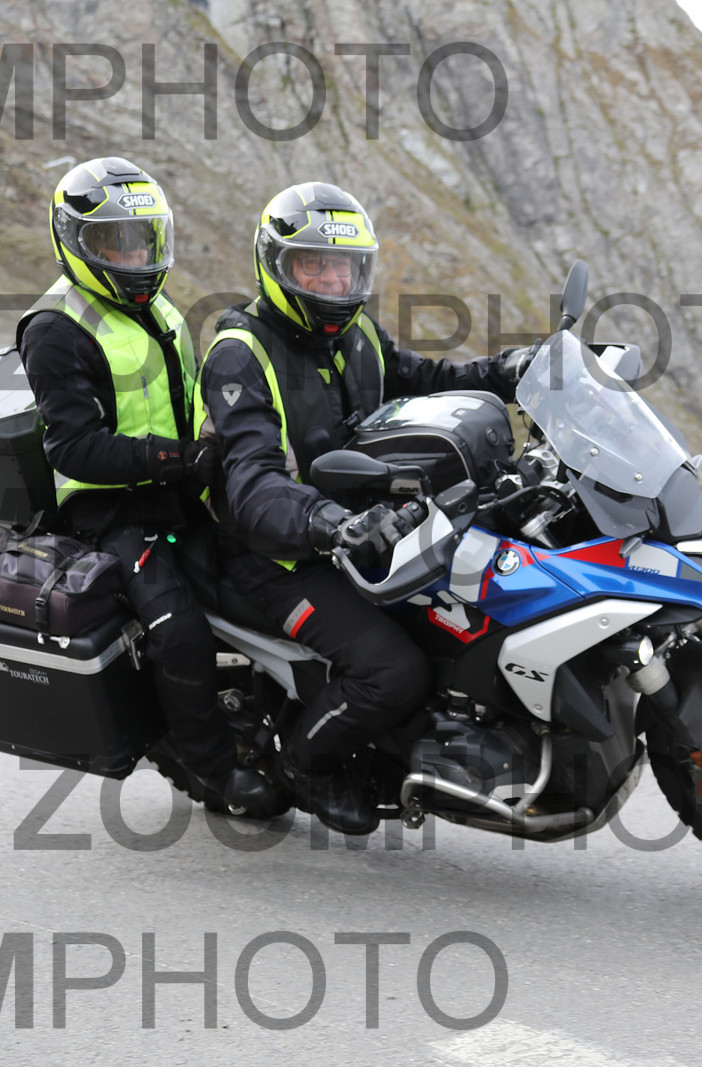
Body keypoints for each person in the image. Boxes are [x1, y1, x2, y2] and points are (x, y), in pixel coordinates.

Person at [197, 182, 528, 834]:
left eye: (344, 268)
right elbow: (252, 482)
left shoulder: (356, 335)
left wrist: (510, 370)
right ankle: (306, 763)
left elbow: (428, 381)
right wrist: (328, 523)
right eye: (313, 266)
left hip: (366, 532)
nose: (331, 281)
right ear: (277, 265)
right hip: (275, 555)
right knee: (392, 670)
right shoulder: (240, 354)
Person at [17, 156, 279, 818]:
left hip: (178, 491)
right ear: (74, 241)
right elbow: (73, 448)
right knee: (179, 629)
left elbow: (183, 401)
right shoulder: (55, 328)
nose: (133, 256)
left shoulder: (156, 307)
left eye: (142, 240)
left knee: (268, 580)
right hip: (106, 512)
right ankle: (216, 770)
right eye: (113, 243)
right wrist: (178, 459)